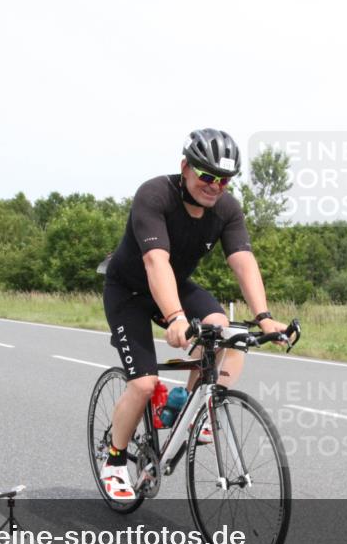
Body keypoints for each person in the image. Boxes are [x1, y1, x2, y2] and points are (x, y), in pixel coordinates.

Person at [100, 128, 287, 501]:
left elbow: (243, 262)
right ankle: (115, 461)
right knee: (143, 383)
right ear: (185, 167)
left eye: (224, 179)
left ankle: (191, 406)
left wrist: (264, 317)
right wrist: (174, 317)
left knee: (227, 332)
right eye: (206, 175)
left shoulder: (227, 210)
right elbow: (155, 261)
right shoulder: (155, 195)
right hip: (130, 291)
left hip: (176, 283)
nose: (215, 185)